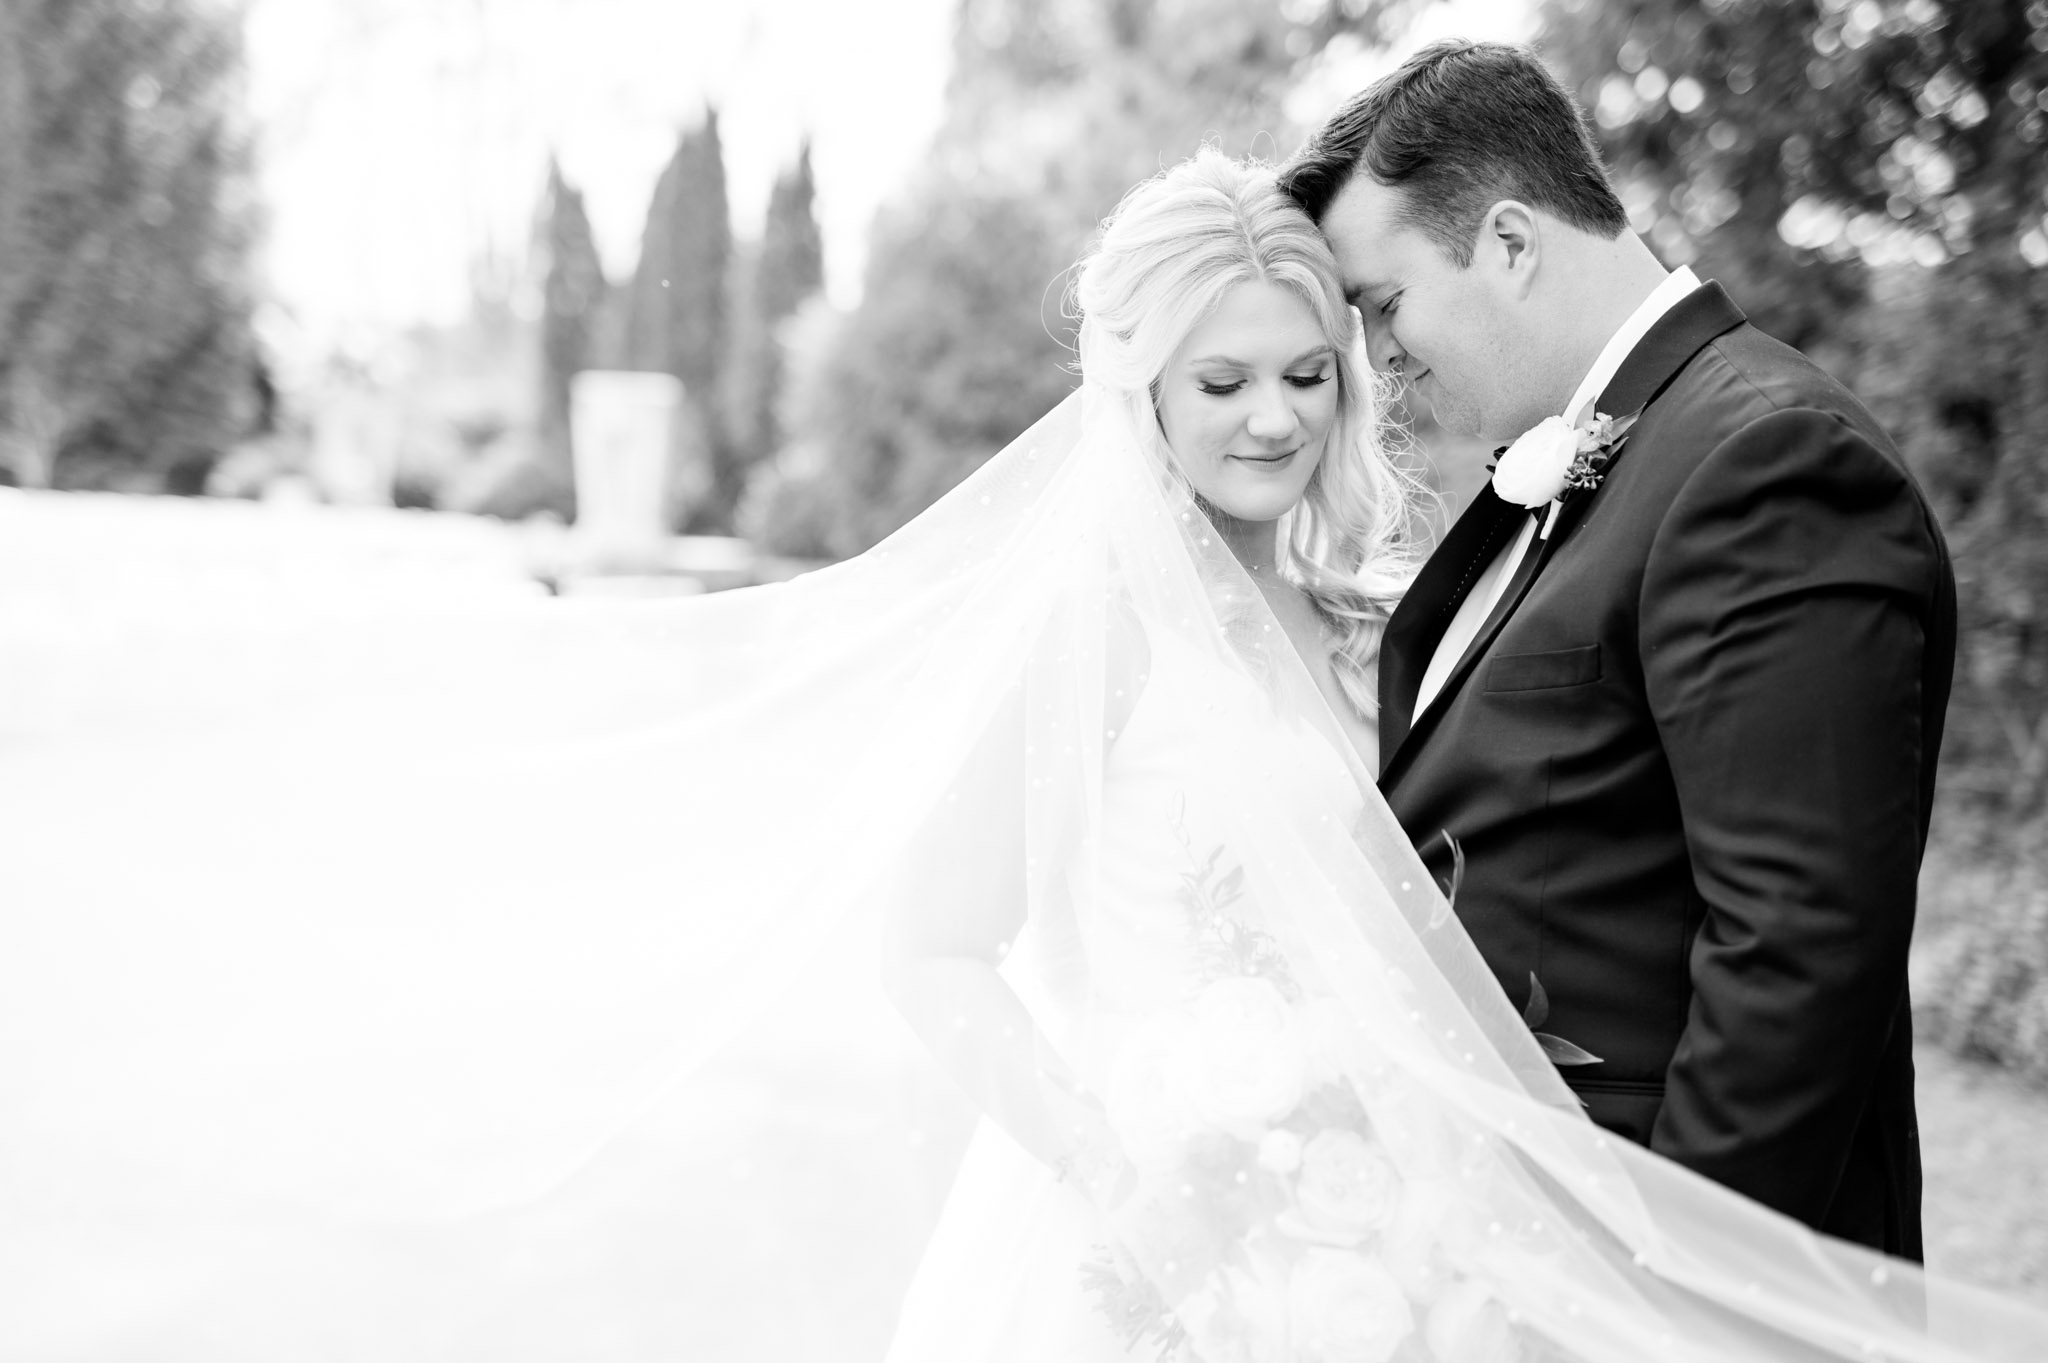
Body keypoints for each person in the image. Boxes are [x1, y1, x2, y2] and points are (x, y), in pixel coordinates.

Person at [5, 151, 2045, 1362]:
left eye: (1301, 374)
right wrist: (1123, 1169)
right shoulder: (1094, 633)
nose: (1265, 415)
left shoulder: (1373, 616)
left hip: (1373, 1227)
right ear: (1138, 391)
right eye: (1217, 378)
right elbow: (930, 947)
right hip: (1141, 1225)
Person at [1281, 38, 1952, 1260]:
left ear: (1509, 243)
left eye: (1384, 304)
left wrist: (1668, 1299)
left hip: (1669, 1274)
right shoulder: (1599, 459)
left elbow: (1795, 956)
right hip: (1515, 1260)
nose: (1378, 359)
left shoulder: (1763, 460)